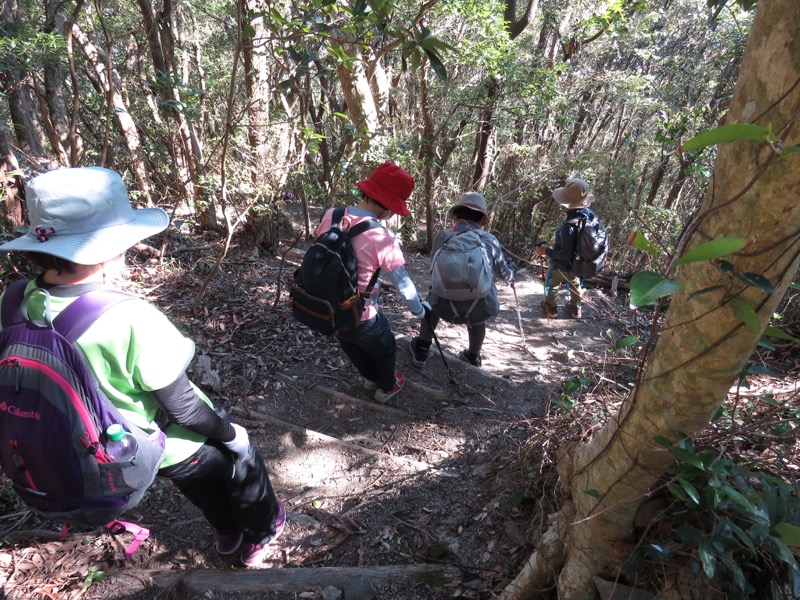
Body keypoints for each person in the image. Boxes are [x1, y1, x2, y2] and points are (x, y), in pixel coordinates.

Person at [0, 166, 284, 568]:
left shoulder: (14, 300)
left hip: (106, 451)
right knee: (237, 458)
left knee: (197, 482)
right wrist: (231, 433)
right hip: (165, 439)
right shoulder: (128, 316)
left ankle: (226, 531)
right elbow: (183, 407)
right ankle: (261, 531)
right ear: (108, 248)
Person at [316, 162, 430, 403]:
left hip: (326, 307)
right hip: (360, 311)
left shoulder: (332, 215)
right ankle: (386, 388)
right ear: (388, 206)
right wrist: (419, 310)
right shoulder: (383, 237)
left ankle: (369, 378)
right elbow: (402, 282)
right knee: (386, 346)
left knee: (350, 344)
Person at [409, 192, 515, 368]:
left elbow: (434, 268)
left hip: (442, 307)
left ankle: (421, 348)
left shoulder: (442, 237)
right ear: (482, 220)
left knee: (432, 295)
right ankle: (473, 356)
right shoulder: (489, 240)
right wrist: (512, 270)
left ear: (456, 216)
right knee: (482, 295)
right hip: (478, 310)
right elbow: (506, 275)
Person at [535, 177, 596, 319]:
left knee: (553, 283)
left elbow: (564, 255)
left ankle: (551, 308)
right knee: (574, 283)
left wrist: (546, 251)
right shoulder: (589, 218)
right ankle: (576, 308)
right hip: (579, 263)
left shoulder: (569, 225)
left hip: (562, 265)